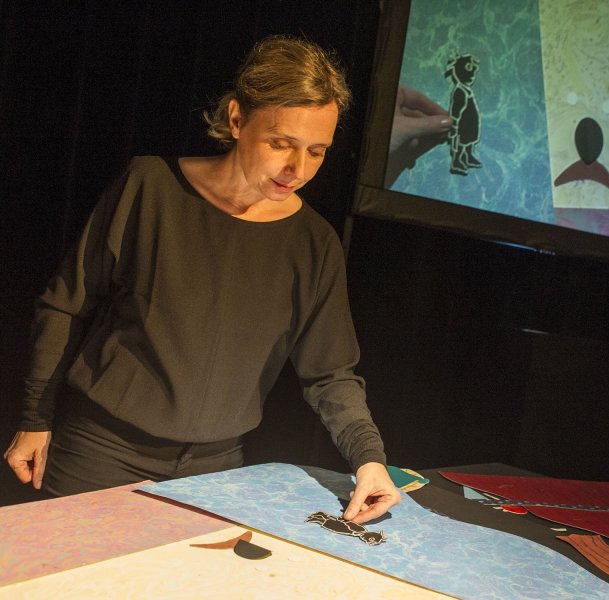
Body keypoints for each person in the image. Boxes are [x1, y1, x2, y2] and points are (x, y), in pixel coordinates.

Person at [4, 35, 401, 524]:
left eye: (317, 152)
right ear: (237, 119)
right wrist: (34, 418)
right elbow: (66, 304)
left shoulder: (315, 243)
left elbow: (331, 373)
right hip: (100, 453)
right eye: (281, 143)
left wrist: (369, 459)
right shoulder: (150, 187)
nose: (297, 169)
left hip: (214, 472)